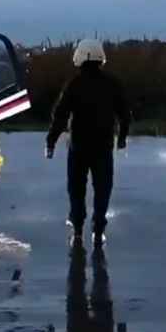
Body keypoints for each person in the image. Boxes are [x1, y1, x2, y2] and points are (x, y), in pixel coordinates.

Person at [46, 39, 131, 246]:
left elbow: (60, 115)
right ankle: (99, 230)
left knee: (76, 188)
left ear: (80, 57)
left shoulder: (74, 84)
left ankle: (77, 230)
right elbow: (125, 114)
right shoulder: (112, 83)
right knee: (103, 188)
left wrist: (51, 141)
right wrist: (121, 138)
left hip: (79, 146)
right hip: (103, 146)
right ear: (100, 58)